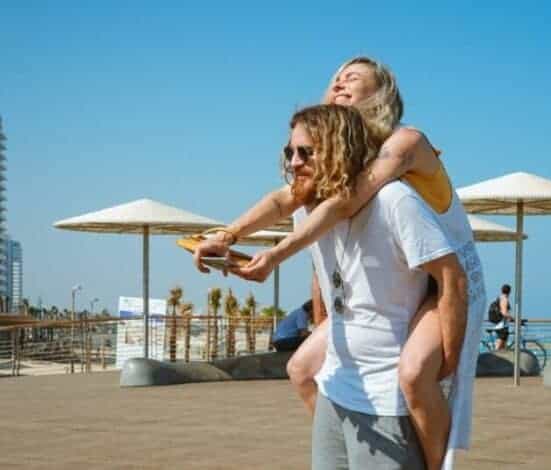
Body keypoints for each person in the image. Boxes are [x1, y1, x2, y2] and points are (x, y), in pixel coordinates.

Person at [193, 57, 485, 470]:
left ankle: (436, 463)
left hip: (447, 281)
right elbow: (290, 205)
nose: (340, 83)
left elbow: (347, 201)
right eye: (335, 79)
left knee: (417, 373)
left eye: (354, 78)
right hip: (402, 277)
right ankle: (346, 438)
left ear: (381, 96)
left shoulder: (403, 145)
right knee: (302, 368)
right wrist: (227, 235)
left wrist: (275, 255)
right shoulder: (338, 169)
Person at [291, 103, 470, 469]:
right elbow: (323, 276)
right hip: (334, 392)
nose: (294, 162)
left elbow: (453, 276)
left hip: (386, 400)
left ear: (337, 147)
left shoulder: (394, 201)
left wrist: (448, 363)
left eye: (305, 152)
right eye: (289, 152)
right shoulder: (307, 211)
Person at [489, 284, 513, 350]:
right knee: (499, 346)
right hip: (502, 325)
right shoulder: (504, 299)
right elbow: (504, 312)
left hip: (501, 324)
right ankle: (494, 358)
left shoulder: (500, 297)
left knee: (503, 346)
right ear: (510, 291)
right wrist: (512, 318)